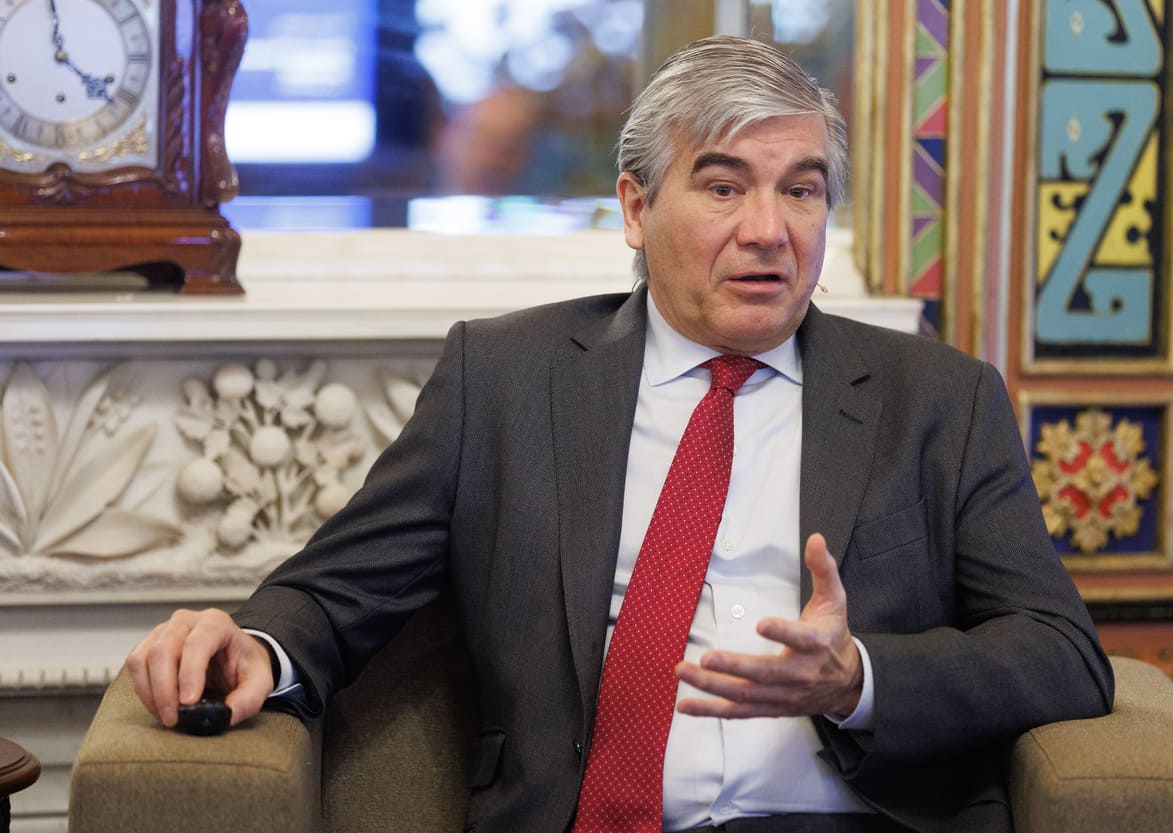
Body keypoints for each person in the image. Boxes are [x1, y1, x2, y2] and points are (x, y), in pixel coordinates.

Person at [126, 35, 1113, 833]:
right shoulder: (504, 379)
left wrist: (858, 678)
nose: (770, 228)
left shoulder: (938, 397)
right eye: (724, 187)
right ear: (637, 209)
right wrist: (254, 641)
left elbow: (1061, 651)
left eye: (801, 189)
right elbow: (336, 590)